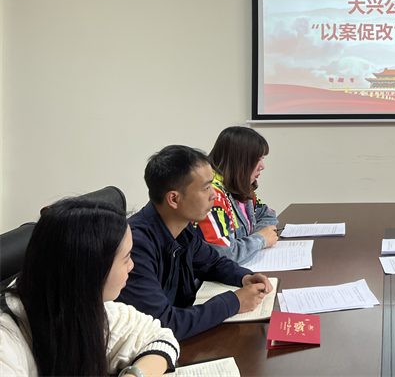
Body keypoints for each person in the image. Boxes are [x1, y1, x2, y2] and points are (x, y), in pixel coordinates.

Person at [0, 198, 179, 377]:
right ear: (91, 270)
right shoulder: (6, 342)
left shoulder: (78, 303)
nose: (132, 266)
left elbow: (160, 337)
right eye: (126, 258)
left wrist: (134, 375)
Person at [116, 145, 273, 341]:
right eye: (206, 188)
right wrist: (234, 302)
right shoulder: (135, 246)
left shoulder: (181, 226)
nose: (214, 195)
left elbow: (213, 263)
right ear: (174, 199)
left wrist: (244, 277)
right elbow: (163, 323)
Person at [194, 126, 279, 264]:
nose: (262, 166)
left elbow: (267, 214)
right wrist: (260, 239)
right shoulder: (212, 197)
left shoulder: (240, 188)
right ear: (238, 162)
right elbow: (224, 255)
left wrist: (255, 239)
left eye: (262, 158)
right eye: (256, 159)